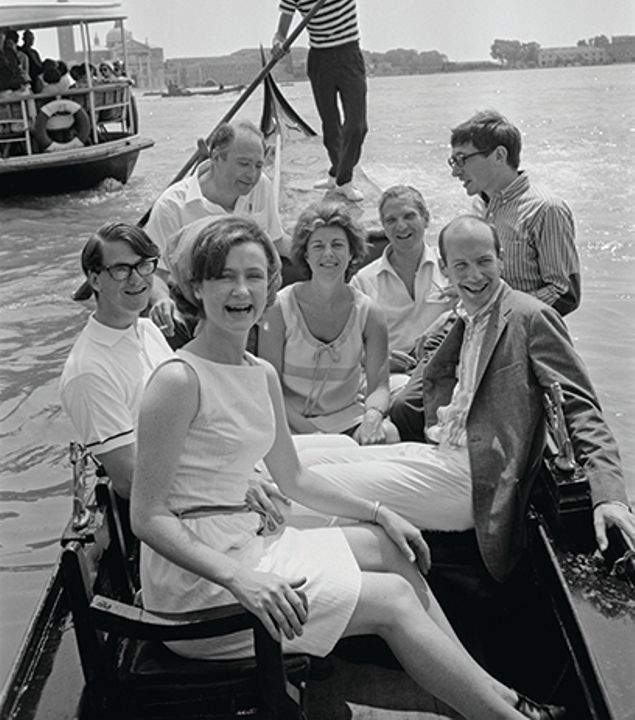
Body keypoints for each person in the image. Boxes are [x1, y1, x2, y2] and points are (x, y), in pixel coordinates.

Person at [130, 215, 562, 720]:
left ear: (272, 285)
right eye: (224, 276)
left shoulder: (260, 373)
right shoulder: (178, 380)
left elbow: (295, 480)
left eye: (254, 275)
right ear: (195, 287)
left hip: (245, 544)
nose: (241, 290)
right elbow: (148, 516)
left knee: (385, 544)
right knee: (393, 600)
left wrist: (379, 512)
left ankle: (489, 692)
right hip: (202, 590)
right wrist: (237, 579)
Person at [272, 215, 635, 586]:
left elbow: (581, 407)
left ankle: (283, 576)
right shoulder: (465, 317)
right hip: (441, 452)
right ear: (444, 269)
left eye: (484, 262)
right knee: (300, 459)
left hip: (474, 481)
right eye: (461, 265)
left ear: (501, 259)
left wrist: (610, 496)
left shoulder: (532, 317)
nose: (474, 275)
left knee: (299, 493)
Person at [259, 201, 399, 444]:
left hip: (347, 418)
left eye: (337, 245)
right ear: (305, 254)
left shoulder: (370, 312)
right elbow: (271, 389)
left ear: (351, 253)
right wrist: (314, 434)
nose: (328, 254)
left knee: (390, 435)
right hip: (290, 421)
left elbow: (379, 387)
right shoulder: (278, 308)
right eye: (318, 246)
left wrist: (373, 416)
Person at [145, 121, 290, 337]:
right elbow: (156, 272)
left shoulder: (262, 186)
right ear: (216, 159)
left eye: (258, 166)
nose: (252, 175)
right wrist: (162, 300)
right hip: (196, 303)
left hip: (248, 292)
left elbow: (277, 242)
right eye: (244, 164)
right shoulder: (172, 206)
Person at [59, 222, 172, 499]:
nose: (137, 279)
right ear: (95, 280)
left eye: (144, 265)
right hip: (179, 505)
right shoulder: (88, 372)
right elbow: (130, 481)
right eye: (121, 270)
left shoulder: (147, 330)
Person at [272, 0, 380, 202]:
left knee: (357, 126)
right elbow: (281, 31)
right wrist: (278, 43)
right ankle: (338, 175)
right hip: (320, 60)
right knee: (331, 126)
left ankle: (341, 178)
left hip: (349, 55)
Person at [449, 109, 580, 315]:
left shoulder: (545, 209)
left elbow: (564, 294)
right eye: (453, 161)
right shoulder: (478, 207)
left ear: (499, 155)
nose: (455, 171)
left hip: (529, 339)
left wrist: (497, 308)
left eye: (462, 159)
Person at [351, 185, 456, 382]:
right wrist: (377, 358)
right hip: (392, 376)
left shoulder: (451, 267)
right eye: (391, 220)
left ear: (426, 219)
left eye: (409, 216)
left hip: (443, 367)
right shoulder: (363, 281)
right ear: (383, 226)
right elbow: (347, 345)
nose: (401, 226)